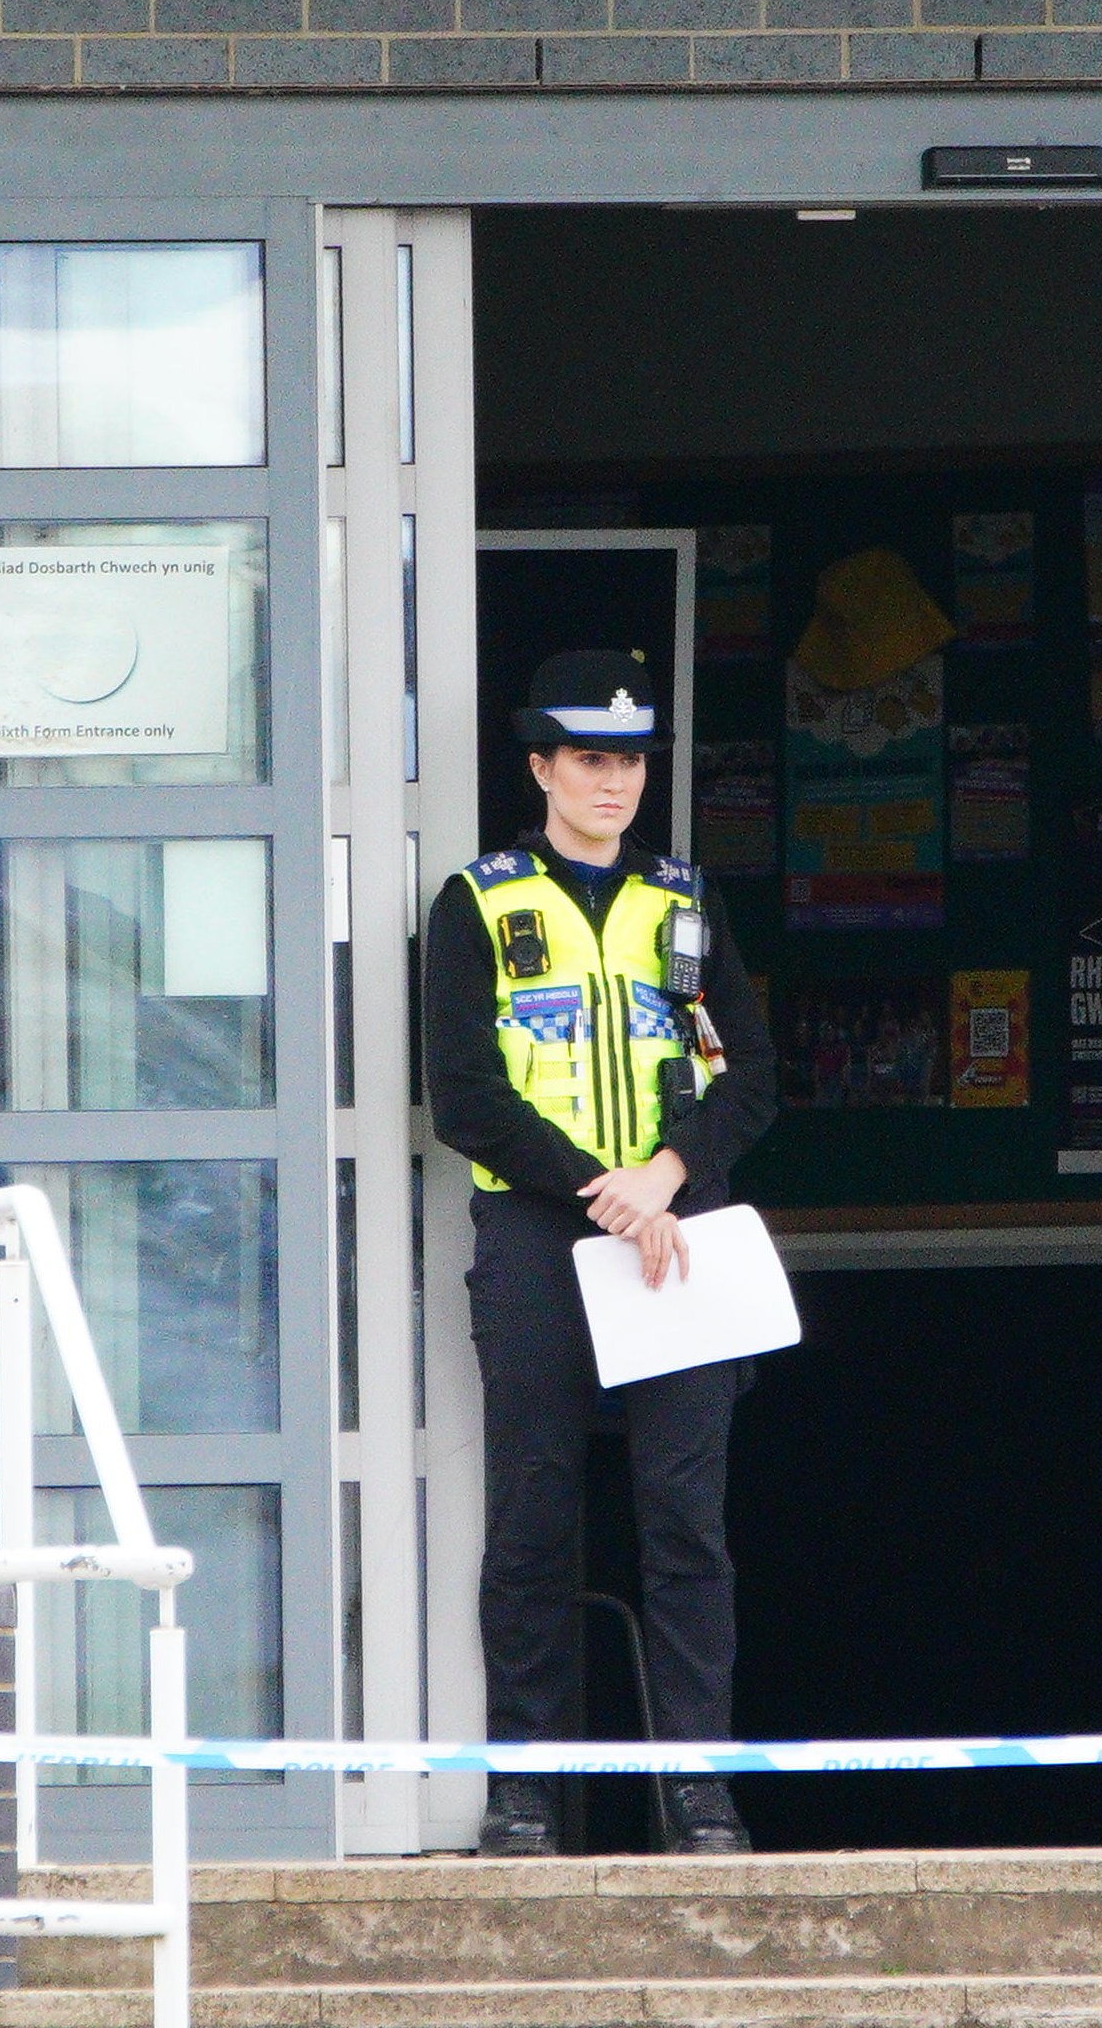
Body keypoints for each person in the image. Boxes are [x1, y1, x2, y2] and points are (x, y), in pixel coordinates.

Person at [422, 648, 781, 1858]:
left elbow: (754, 1076)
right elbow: (464, 1098)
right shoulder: (478, 901)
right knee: (533, 1513)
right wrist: (603, 1193)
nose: (612, 780)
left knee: (686, 1520)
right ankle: (524, 1787)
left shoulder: (685, 902)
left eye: (628, 759)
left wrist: (666, 1176)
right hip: (539, 1232)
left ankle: (698, 1789)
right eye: (588, 757)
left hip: (676, 1229)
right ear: (540, 767)